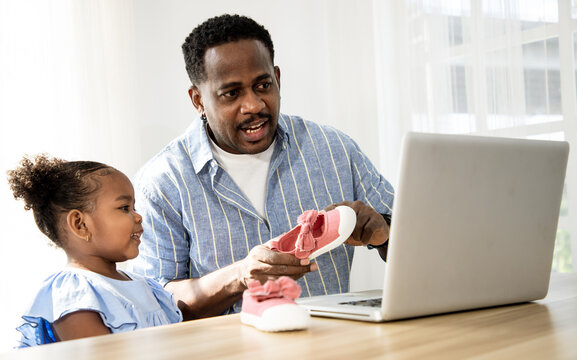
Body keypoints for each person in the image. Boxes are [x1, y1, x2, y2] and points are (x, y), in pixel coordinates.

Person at [128, 14, 394, 320]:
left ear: (277, 79)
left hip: (338, 345)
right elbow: (155, 299)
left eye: (263, 85)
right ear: (198, 100)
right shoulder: (163, 182)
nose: (253, 105)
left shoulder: (335, 149)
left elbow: (419, 242)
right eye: (231, 93)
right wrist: (239, 277)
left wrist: (384, 232)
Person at [7, 155, 182, 347]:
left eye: (134, 207)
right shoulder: (74, 292)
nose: (138, 216)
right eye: (124, 208)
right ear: (80, 224)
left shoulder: (146, 287)